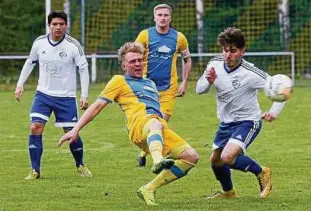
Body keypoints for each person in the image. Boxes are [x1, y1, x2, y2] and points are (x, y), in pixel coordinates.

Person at [57, 42, 199, 206]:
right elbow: (97, 106)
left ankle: (149, 188)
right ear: (124, 65)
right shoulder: (119, 81)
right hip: (140, 126)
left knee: (191, 156)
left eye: (140, 60)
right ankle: (158, 159)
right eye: (132, 61)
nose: (138, 64)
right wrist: (75, 129)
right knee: (154, 123)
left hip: (155, 128)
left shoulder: (150, 83)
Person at [196, 27, 287, 199]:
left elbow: (282, 89)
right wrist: (208, 81)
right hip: (225, 122)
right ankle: (228, 193)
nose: (228, 55)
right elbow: (199, 90)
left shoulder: (252, 73)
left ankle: (262, 172)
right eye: (225, 50)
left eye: (233, 51)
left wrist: (273, 112)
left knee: (228, 157)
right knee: (215, 162)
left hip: (248, 121)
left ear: (243, 51)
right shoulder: (215, 63)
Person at [15, 11, 92, 179]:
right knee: (35, 127)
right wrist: (20, 84)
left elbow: (84, 69)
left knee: (72, 133)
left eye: (61, 24)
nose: (58, 27)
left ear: (66, 25)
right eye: (54, 24)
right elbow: (30, 62)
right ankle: (35, 170)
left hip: (66, 97)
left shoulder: (73, 45)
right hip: (43, 94)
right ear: (49, 25)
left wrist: (84, 95)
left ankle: (80, 165)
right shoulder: (39, 43)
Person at [135, 3, 192, 166]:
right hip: (147, 89)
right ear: (154, 17)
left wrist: (184, 82)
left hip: (168, 89)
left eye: (166, 15)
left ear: (170, 18)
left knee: (160, 123)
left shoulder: (179, 38)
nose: (162, 18)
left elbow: (187, 60)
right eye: (159, 15)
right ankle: (149, 153)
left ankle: (150, 155)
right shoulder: (145, 35)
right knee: (149, 124)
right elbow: (132, 56)